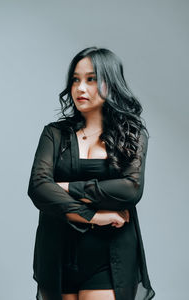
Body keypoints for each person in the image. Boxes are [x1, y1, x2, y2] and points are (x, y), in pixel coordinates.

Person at [27, 46, 155, 300]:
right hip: (56, 250)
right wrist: (94, 216)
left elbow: (130, 190)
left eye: (91, 79)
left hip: (110, 254)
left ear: (111, 83)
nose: (80, 88)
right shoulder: (55, 133)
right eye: (75, 80)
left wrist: (64, 188)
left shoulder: (132, 134)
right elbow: (39, 188)